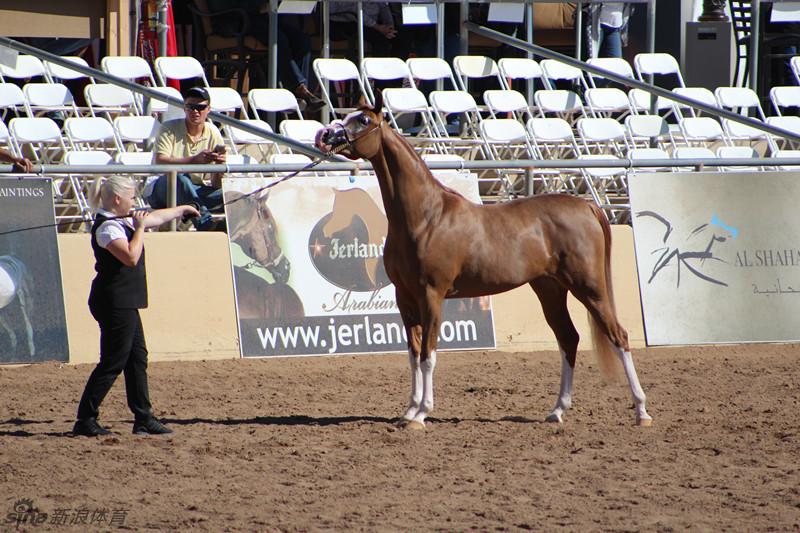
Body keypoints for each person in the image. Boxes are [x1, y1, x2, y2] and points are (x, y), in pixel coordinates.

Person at [73, 176, 200, 437]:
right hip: (113, 302)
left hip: (125, 301)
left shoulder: (123, 220)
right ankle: (85, 418)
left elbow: (156, 217)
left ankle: (143, 417)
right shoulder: (107, 228)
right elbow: (130, 256)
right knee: (113, 361)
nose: (136, 203)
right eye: (132, 197)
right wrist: (140, 228)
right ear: (117, 199)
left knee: (137, 358)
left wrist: (182, 210)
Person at [206, 0, 324, 112]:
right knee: (278, 39)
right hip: (232, 20)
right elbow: (221, 4)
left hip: (257, 18)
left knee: (301, 40)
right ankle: (298, 90)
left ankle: (298, 92)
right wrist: (259, 4)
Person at [146, 86, 225, 231]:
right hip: (161, 187)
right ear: (184, 108)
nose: (195, 111)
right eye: (190, 107)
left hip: (194, 191)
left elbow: (215, 185)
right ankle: (205, 223)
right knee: (180, 179)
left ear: (208, 109)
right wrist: (195, 160)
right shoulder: (168, 127)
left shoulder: (213, 132)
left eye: (200, 107)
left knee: (229, 195)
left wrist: (219, 168)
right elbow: (160, 161)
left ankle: (237, 231)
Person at [330, 2, 397, 58]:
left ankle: (397, 68)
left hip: (372, 24)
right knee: (380, 39)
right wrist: (378, 27)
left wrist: (390, 27)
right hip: (344, 22)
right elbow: (354, 10)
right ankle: (379, 70)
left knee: (402, 35)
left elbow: (383, 7)